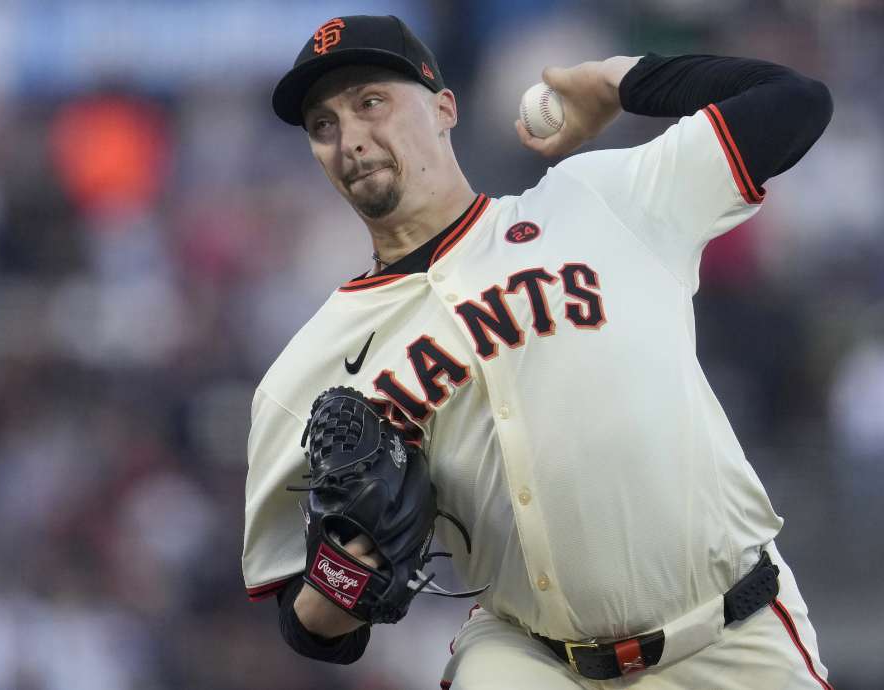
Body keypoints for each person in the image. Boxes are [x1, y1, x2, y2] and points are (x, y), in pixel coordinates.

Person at [244, 13, 834, 689]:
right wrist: (347, 577)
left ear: (444, 107)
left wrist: (618, 81)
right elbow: (306, 625)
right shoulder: (305, 370)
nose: (349, 138)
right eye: (323, 125)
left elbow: (794, 102)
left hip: (731, 634)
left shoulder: (599, 201)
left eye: (369, 102)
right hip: (531, 659)